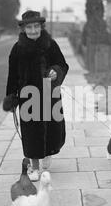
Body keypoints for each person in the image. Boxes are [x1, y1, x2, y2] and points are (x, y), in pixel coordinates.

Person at [4, 10, 69, 181]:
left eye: (36, 27)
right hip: (28, 97)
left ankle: (48, 152)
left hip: (49, 94)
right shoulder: (17, 49)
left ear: (41, 27)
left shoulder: (50, 44)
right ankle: (34, 167)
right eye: (29, 27)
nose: (33, 31)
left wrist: (56, 71)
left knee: (52, 128)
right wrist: (12, 97)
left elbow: (62, 64)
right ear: (23, 29)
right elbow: (12, 75)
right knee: (31, 132)